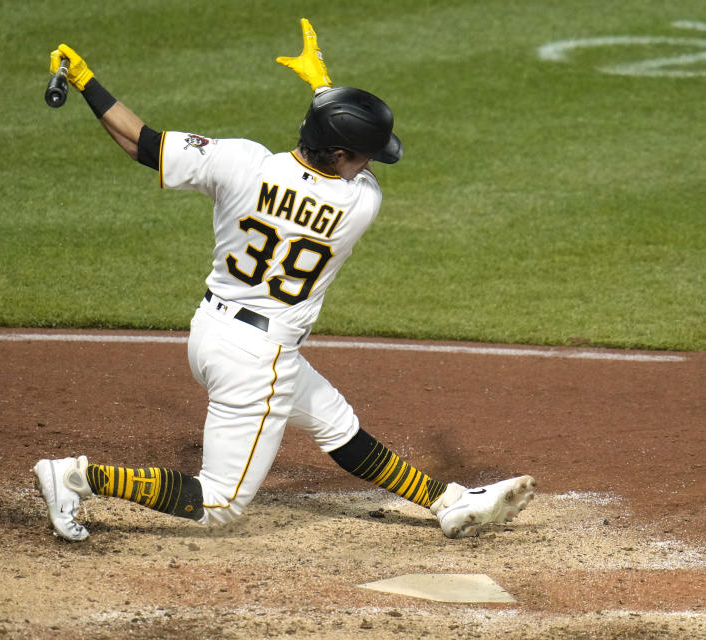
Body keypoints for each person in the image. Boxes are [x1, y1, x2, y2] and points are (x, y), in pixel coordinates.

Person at [34, 19, 535, 542]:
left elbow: (142, 143)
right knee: (219, 504)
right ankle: (76, 477)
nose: (369, 161)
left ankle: (448, 502)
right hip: (257, 358)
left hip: (210, 332)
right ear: (341, 155)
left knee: (337, 425)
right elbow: (347, 166)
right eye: (362, 152)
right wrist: (324, 86)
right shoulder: (359, 204)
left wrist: (86, 80)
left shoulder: (240, 161)